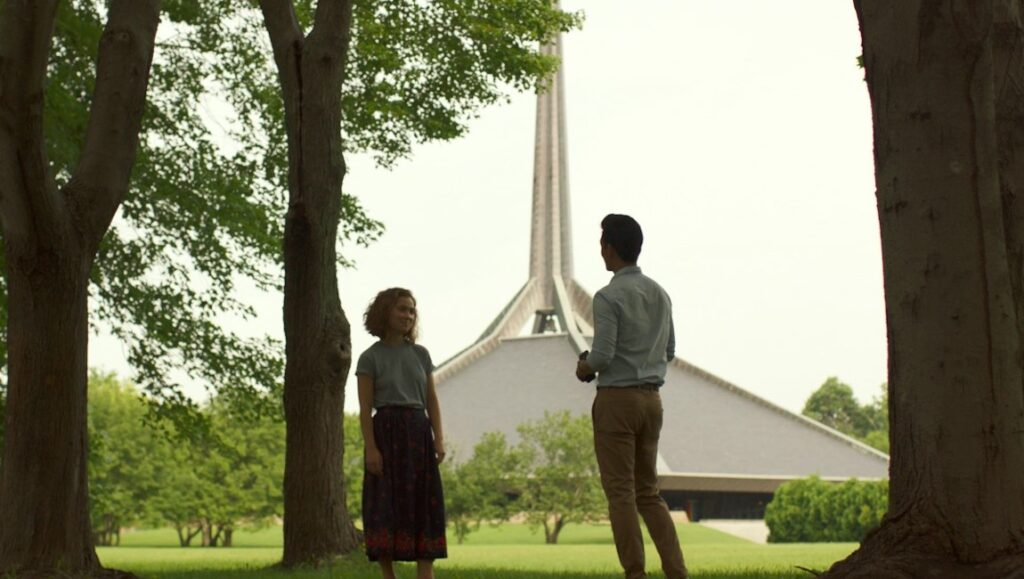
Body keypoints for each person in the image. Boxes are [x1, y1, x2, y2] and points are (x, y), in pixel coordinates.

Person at [575, 214, 687, 579]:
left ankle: (635, 573)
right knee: (648, 492)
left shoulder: (608, 297)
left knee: (621, 492)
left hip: (617, 402)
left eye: (602, 244)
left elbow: (603, 355)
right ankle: (676, 571)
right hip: (652, 401)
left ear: (609, 248)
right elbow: (669, 350)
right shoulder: (660, 293)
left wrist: (584, 368)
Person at [358, 287, 447, 579]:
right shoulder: (369, 358)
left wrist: (439, 438)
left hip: (418, 433)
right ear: (386, 312)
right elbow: (365, 408)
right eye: (402, 309)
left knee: (424, 503)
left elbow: (431, 399)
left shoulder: (421, 355)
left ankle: (425, 574)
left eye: (412, 310)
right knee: (385, 504)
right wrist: (371, 448)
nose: (408, 315)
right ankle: (388, 575)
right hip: (386, 434)